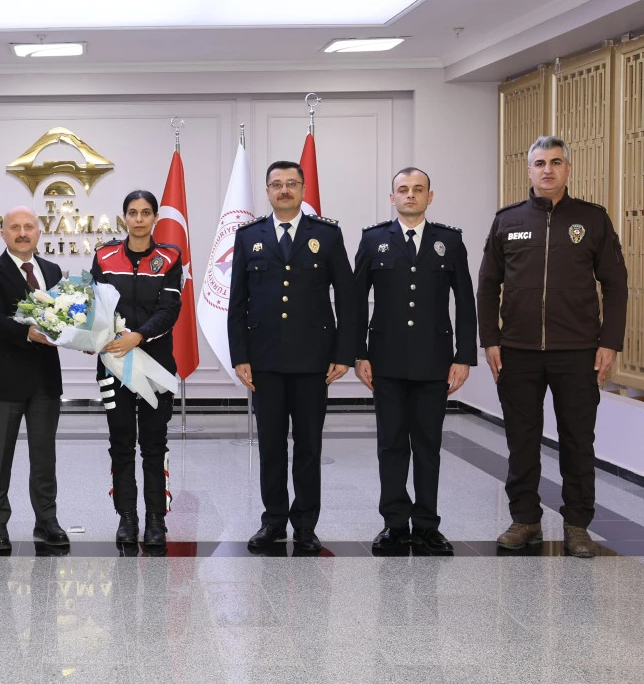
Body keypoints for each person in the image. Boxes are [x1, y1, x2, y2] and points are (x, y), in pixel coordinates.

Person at [477, 135, 628, 558]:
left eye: (556, 162)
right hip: (517, 351)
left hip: (577, 352)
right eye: (540, 163)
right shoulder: (507, 220)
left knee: (578, 440)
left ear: (568, 169)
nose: (548, 169)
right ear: (529, 170)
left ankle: (577, 525)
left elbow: (616, 285)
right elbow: (487, 285)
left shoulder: (592, 220)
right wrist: (490, 340)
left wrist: (609, 343)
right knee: (521, 440)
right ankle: (525, 519)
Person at [228, 160, 358, 553]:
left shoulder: (327, 235)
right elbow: (237, 302)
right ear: (267, 191)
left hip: (313, 361)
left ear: (302, 189)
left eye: (291, 183)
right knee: (271, 446)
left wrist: (344, 353)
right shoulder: (248, 236)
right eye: (276, 184)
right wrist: (240, 356)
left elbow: (347, 297)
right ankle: (273, 521)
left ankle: (305, 525)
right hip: (264, 361)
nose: (284, 190)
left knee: (308, 446)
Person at [354, 167, 476, 554]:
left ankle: (426, 525)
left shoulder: (449, 241)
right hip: (385, 361)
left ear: (429, 196)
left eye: (418, 189)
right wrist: (359, 354)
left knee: (427, 446)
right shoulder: (374, 240)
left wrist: (464, 357)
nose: (411, 195)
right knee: (391, 445)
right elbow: (356, 302)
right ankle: (394, 524)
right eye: (403, 189)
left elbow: (466, 301)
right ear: (392, 198)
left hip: (433, 361)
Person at [91, 190, 182, 547]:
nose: (139, 219)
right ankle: (126, 517)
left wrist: (138, 336)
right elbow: (95, 307)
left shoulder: (169, 257)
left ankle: (156, 519)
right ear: (124, 217)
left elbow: (169, 310)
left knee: (154, 444)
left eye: (146, 212)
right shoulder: (104, 256)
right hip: (113, 366)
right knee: (121, 442)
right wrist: (96, 337)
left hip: (156, 366)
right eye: (133, 212)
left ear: (155, 217)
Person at [0, 206, 67, 551]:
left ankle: (47, 520)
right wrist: (28, 332)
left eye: (29, 226)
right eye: (15, 227)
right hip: (5, 378)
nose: (23, 233)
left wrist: (84, 337)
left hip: (45, 380)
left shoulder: (52, 270)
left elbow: (64, 319)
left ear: (39, 232)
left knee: (44, 456)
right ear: (4, 233)